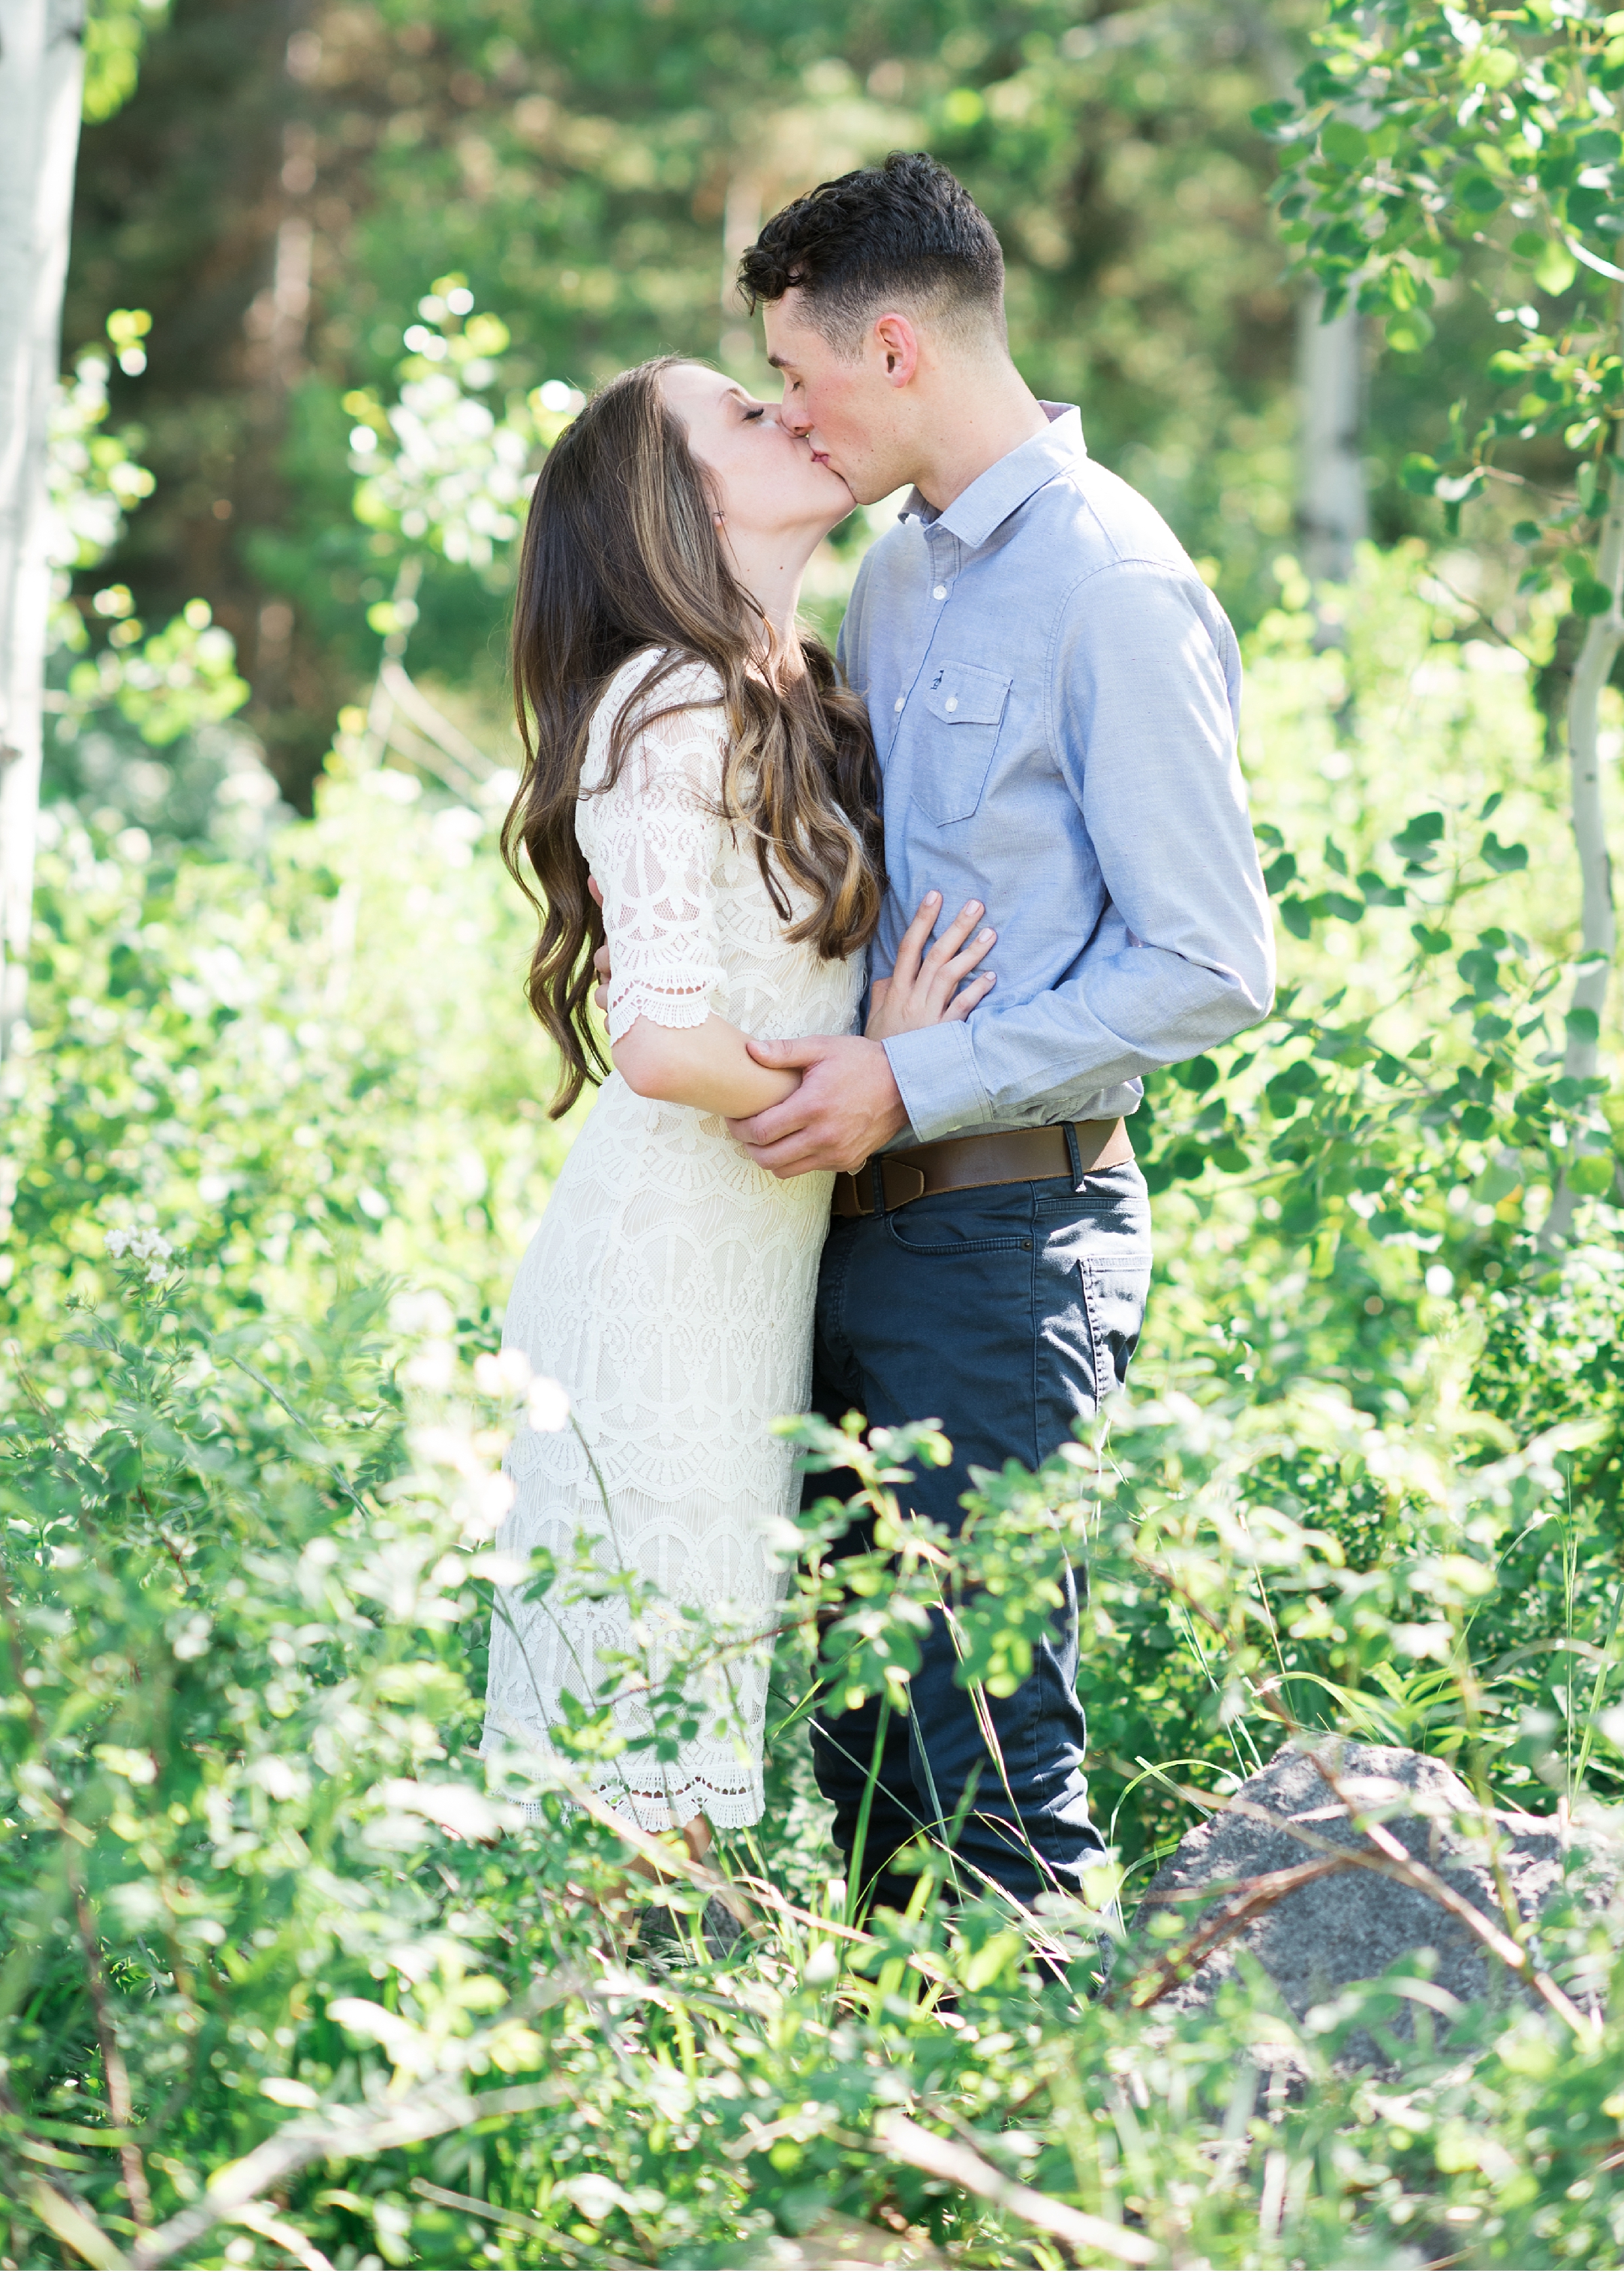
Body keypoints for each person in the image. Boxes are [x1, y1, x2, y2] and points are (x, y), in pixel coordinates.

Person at [723, 152, 1277, 1921]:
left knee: (984, 1748)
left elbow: (1209, 962)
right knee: (866, 1741)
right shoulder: (898, 579)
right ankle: (903, 2170)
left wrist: (913, 1076)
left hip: (1008, 1235)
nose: (792, 420)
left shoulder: (1111, 580)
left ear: (892, 346)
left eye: (799, 380)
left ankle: (1062, 2167)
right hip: (854, 1227)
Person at [483, 354, 995, 1893]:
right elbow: (658, 1041)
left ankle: (624, 2084)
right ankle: (575, 2089)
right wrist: (865, 1084)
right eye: (743, 415)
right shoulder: (665, 698)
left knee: (688, 1697)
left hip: (741, 1268)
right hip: (657, 1285)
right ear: (672, 506)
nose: (791, 416)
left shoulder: (786, 675)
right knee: (644, 1735)